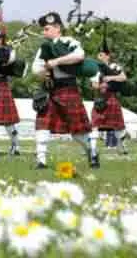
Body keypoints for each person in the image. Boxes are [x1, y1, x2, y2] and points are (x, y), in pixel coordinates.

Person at [31, 11, 99, 169]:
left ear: (57, 28)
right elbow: (35, 68)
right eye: (43, 29)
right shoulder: (44, 47)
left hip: (68, 88)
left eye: (47, 29)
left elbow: (80, 55)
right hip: (49, 88)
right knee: (42, 124)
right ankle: (41, 160)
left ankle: (92, 151)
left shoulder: (69, 41)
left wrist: (56, 61)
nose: (44, 32)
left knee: (78, 130)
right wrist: (44, 71)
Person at [0, 29, 22, 156]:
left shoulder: (9, 51)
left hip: (1, 83)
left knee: (8, 121)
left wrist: (5, 52)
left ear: (3, 39)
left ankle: (16, 145)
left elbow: (7, 62)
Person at [90, 40, 129, 155]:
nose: (99, 57)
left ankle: (123, 147)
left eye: (101, 55)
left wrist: (111, 78)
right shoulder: (95, 69)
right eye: (98, 55)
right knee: (94, 124)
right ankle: (92, 148)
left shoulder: (114, 66)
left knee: (118, 126)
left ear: (107, 56)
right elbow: (93, 85)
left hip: (112, 98)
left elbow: (123, 77)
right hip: (100, 99)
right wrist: (100, 85)